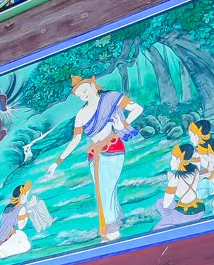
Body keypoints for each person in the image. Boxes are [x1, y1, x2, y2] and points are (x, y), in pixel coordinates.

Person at [45, 75, 144, 241]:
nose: (83, 95)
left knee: (107, 189)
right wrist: (57, 162)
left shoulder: (110, 97)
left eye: (84, 90)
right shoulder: (81, 114)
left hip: (113, 147)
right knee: (102, 191)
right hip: (94, 155)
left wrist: (124, 125)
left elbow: (138, 109)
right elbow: (75, 140)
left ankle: (112, 230)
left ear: (92, 84)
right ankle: (113, 224)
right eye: (79, 95)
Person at [0, 181, 49, 261]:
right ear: (22, 196)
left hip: (1, 237)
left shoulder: (8, 207)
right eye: (26, 195)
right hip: (10, 238)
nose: (26, 198)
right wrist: (27, 213)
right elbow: (21, 226)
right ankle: (0, 255)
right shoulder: (21, 208)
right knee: (25, 244)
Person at [153, 144, 205, 230]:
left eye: (173, 158)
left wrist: (171, 182)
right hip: (200, 208)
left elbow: (166, 203)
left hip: (186, 214)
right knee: (159, 202)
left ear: (179, 159)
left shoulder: (176, 177)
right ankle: (170, 219)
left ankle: (171, 221)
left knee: (156, 229)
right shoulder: (195, 169)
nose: (171, 161)